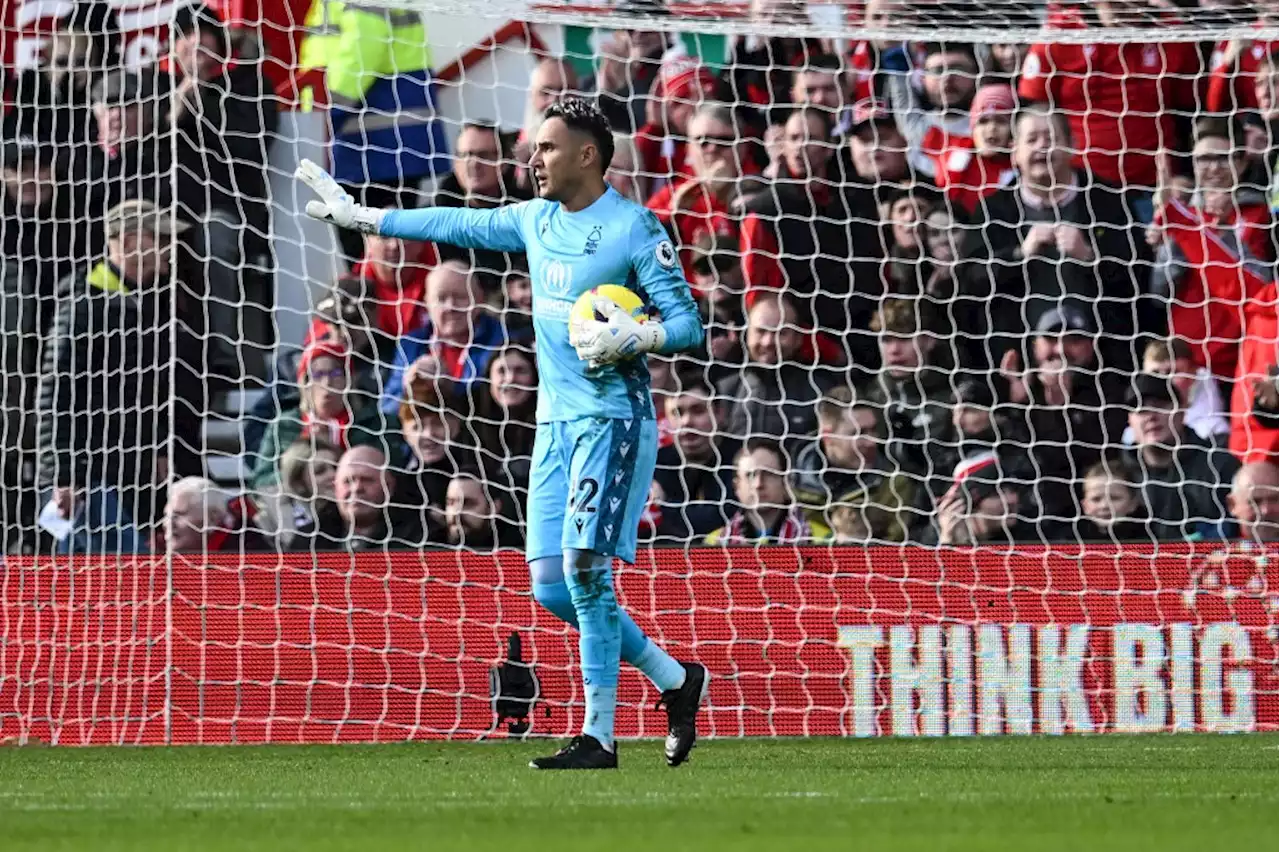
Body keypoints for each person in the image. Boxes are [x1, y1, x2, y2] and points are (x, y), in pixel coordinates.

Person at [297, 97, 708, 770]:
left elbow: (688, 326)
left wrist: (643, 334)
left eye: (546, 147)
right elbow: (455, 219)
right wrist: (365, 216)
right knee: (551, 586)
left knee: (585, 571)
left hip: (612, 423)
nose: (532, 158)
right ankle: (675, 679)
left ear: (586, 154)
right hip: (552, 427)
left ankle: (599, 737)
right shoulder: (533, 220)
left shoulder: (635, 228)